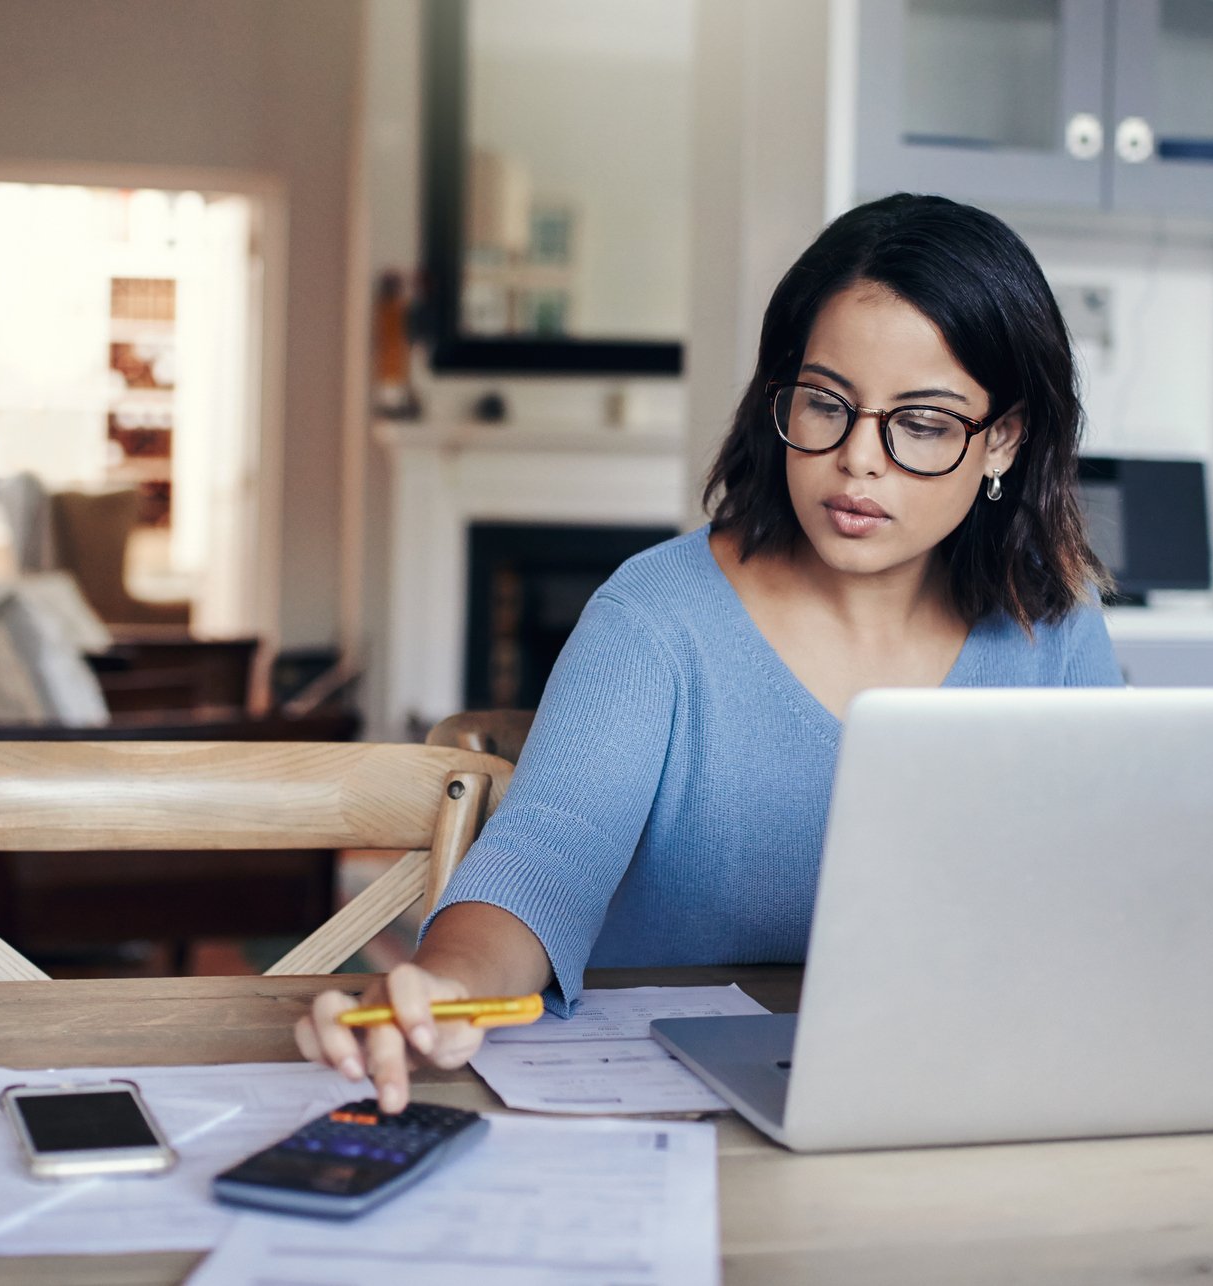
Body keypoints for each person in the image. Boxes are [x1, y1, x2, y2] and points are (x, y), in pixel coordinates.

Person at [298, 194, 1121, 1110]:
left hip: (952, 1095)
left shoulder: (1055, 622)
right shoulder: (653, 619)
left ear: (1002, 438)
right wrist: (446, 987)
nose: (859, 460)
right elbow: (541, 864)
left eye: (923, 423)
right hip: (670, 1111)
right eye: (826, 404)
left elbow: (1110, 892)